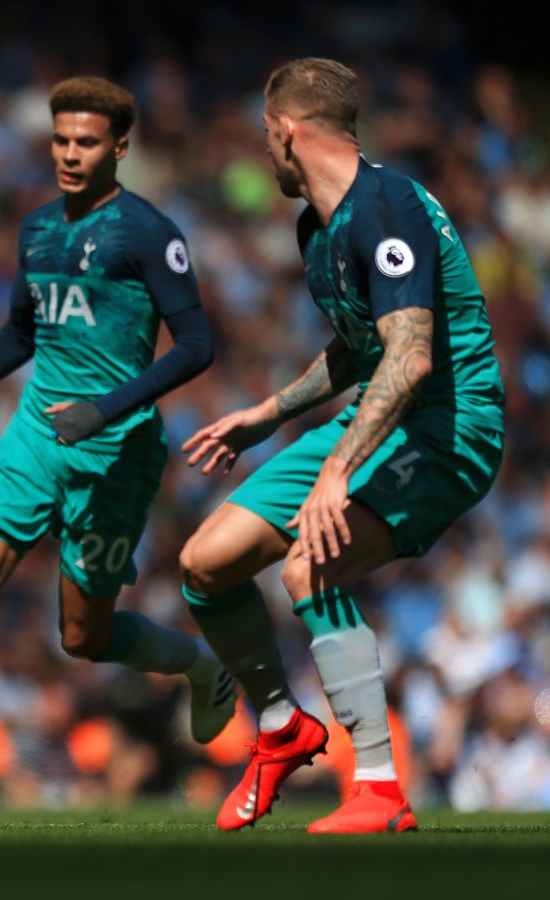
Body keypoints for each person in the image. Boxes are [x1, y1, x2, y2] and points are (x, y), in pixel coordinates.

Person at [0, 76, 234, 825]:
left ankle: (204, 668)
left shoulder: (147, 232)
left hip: (116, 451)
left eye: (86, 142)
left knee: (85, 635)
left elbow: (199, 346)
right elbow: (20, 336)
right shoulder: (38, 228)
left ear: (120, 148)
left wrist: (105, 407)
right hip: (37, 436)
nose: (70, 154)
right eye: (61, 140)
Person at [178, 58, 505, 834]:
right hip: (382, 411)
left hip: (452, 427)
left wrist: (335, 469)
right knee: (205, 564)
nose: (265, 153)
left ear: (287, 131)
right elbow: (363, 348)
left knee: (308, 562)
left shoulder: (387, 207)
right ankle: (282, 725)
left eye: (266, 135)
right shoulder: (316, 228)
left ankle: (381, 788)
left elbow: (413, 356)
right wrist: (270, 411)